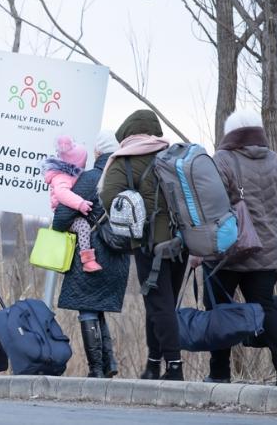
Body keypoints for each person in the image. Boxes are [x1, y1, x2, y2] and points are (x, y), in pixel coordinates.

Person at [190, 110, 277, 387]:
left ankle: (219, 373)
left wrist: (199, 247)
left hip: (226, 253)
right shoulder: (276, 161)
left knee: (219, 309)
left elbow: (208, 210)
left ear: (231, 133)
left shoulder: (222, 160)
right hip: (267, 251)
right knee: (266, 308)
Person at [98, 109, 187, 381]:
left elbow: (109, 195)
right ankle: (152, 364)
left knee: (159, 305)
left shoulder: (126, 159)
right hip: (182, 242)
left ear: (127, 133)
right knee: (162, 304)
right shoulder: (173, 155)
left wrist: (134, 218)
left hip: (151, 244)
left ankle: (174, 367)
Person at [52, 130, 130, 378]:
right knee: (98, 308)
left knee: (87, 309)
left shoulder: (91, 178)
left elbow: (61, 218)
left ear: (97, 152)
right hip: (119, 257)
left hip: (92, 255)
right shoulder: (127, 180)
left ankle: (96, 369)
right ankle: (110, 364)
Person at [43, 135, 102, 272]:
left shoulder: (69, 174)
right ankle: (87, 261)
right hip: (64, 212)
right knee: (83, 226)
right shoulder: (62, 177)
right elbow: (62, 193)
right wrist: (80, 203)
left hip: (69, 212)